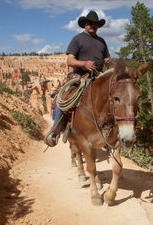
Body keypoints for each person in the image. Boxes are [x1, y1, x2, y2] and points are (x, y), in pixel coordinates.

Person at [44, 10, 111, 147]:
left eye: (95, 24)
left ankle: (111, 131)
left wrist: (107, 59)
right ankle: (55, 131)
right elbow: (70, 61)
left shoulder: (101, 41)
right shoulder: (78, 39)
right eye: (90, 23)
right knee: (63, 98)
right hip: (80, 77)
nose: (93, 25)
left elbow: (105, 56)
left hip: (98, 77)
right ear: (85, 24)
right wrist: (84, 63)